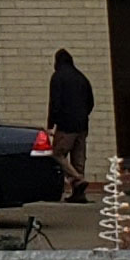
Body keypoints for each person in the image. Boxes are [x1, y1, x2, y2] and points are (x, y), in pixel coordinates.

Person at [47, 49, 95, 203]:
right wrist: (83, 115)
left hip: (66, 125)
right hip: (82, 125)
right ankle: (79, 194)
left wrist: (51, 124)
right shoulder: (81, 78)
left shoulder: (58, 77)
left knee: (57, 154)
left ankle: (77, 179)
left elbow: (55, 103)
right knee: (78, 159)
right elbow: (90, 102)